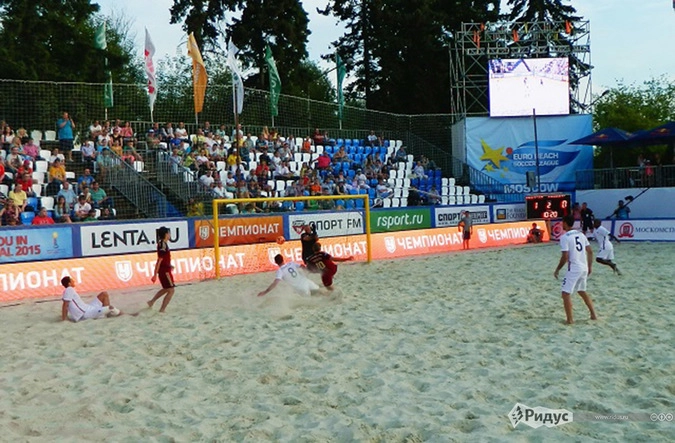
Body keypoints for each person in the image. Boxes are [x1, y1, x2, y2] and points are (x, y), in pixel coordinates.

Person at [553, 215, 597, 325]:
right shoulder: (581, 234)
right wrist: (589, 267)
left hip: (574, 268)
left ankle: (570, 320)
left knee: (565, 293)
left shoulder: (565, 237)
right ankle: (593, 315)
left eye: (562, 222)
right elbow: (590, 251)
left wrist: (557, 269)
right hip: (584, 267)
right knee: (582, 291)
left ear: (565, 223)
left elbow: (565, 257)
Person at [258, 254, 322, 298]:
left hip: (300, 288)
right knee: (320, 292)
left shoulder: (280, 271)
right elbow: (302, 266)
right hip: (306, 281)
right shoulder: (291, 263)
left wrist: (265, 292)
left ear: (275, 262)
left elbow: (275, 283)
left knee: (310, 301)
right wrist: (308, 272)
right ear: (283, 259)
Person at [147, 226, 176, 312]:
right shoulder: (162, 245)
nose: (170, 235)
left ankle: (151, 301)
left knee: (166, 288)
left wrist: (169, 265)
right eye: (169, 233)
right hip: (165, 271)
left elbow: (163, 259)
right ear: (166, 234)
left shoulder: (163, 244)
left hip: (165, 269)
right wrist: (155, 274)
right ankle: (162, 309)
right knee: (171, 290)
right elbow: (159, 260)